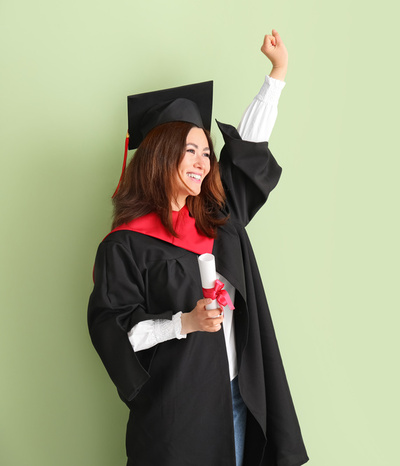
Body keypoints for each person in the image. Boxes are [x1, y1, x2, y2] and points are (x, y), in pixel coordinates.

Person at [87, 30, 308, 466]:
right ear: (159, 155)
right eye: (189, 150)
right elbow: (116, 333)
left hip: (238, 394)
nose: (203, 162)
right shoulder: (126, 245)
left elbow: (246, 151)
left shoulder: (217, 218)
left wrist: (276, 75)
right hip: (177, 411)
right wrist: (183, 322)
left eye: (206, 152)